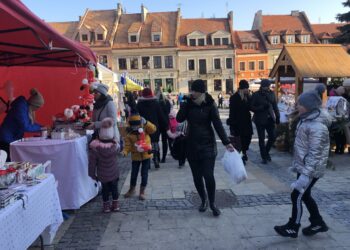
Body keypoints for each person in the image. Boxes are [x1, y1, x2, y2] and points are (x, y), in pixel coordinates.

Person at [274, 89, 331, 238]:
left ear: (310, 106)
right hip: (305, 166)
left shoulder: (317, 126)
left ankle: (293, 227)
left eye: (300, 104)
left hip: (310, 169)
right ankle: (318, 222)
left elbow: (315, 153)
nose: (297, 105)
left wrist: (305, 175)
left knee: (297, 195)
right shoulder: (307, 119)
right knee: (304, 195)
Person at [177, 79, 235, 217]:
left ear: (201, 91)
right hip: (191, 145)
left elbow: (217, 124)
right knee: (197, 177)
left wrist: (227, 142)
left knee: (208, 175)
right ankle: (204, 200)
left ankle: (213, 203)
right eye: (192, 90)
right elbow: (179, 119)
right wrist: (184, 105)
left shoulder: (210, 104)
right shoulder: (188, 104)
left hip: (208, 144)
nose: (192, 93)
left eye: (195, 91)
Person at [0, 88, 44, 161]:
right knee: (6, 162)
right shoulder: (20, 107)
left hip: (10, 138)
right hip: (5, 139)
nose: (37, 109)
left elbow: (28, 123)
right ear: (34, 105)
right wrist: (41, 128)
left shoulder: (25, 107)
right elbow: (25, 126)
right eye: (38, 107)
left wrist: (41, 127)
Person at [88, 117, 120, 213]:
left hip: (102, 174)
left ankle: (106, 206)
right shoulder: (115, 146)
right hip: (114, 172)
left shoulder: (95, 148)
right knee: (114, 189)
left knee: (105, 190)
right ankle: (116, 204)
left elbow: (92, 163)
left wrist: (92, 174)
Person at [122, 112, 156, 200]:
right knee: (133, 174)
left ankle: (142, 191)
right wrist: (125, 151)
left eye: (137, 125)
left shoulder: (145, 128)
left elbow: (153, 129)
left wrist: (146, 123)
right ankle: (132, 189)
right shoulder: (129, 134)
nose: (136, 127)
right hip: (135, 156)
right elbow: (128, 145)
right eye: (133, 125)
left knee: (144, 174)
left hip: (146, 155)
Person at [136, 88, 167, 169]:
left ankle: (147, 161)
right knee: (155, 143)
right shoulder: (156, 103)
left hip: (144, 127)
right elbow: (161, 116)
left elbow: (136, 116)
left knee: (146, 143)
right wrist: (165, 125)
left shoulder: (139, 104)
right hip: (154, 127)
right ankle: (156, 158)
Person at [251, 79, 280, 164]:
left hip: (270, 119)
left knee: (273, 137)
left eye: (268, 86)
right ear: (262, 86)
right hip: (259, 119)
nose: (267, 88)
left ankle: (266, 152)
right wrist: (261, 107)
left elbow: (275, 106)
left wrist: (277, 116)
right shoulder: (256, 94)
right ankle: (264, 156)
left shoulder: (272, 94)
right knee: (261, 139)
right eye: (265, 86)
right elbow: (251, 107)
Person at [227, 80, 253, 165]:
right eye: (246, 88)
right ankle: (241, 156)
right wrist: (232, 124)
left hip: (247, 122)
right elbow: (232, 112)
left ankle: (244, 152)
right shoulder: (234, 98)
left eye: (247, 88)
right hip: (238, 123)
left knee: (248, 139)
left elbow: (251, 107)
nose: (247, 90)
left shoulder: (248, 97)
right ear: (242, 88)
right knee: (239, 142)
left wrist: (249, 98)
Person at [158, 92, 171, 163]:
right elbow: (168, 112)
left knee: (156, 141)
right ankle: (163, 157)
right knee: (164, 141)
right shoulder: (167, 102)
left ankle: (157, 156)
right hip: (165, 123)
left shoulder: (157, 103)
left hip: (158, 123)